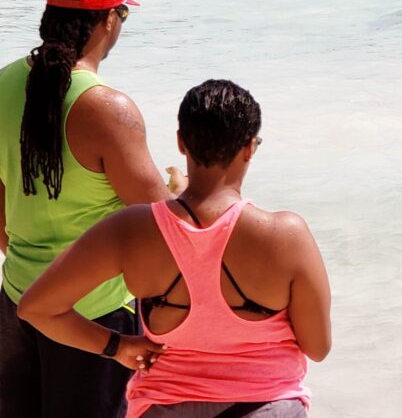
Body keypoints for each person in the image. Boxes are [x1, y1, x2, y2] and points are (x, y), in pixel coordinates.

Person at [19, 78, 332, 418]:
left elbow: (37, 308)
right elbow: (317, 348)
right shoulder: (285, 235)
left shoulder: (132, 229)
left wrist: (117, 346)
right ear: (249, 149)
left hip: (165, 407)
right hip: (267, 406)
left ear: (181, 143)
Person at [0, 0, 181, 417]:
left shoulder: (4, 83)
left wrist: (26, 265)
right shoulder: (106, 109)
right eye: (123, 13)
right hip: (94, 319)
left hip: (16, 301)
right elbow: (164, 224)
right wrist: (180, 186)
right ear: (108, 19)